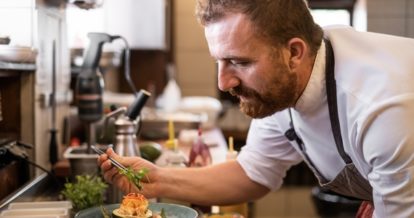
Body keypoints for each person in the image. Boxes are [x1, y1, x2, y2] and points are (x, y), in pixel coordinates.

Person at [98, 0, 414, 217]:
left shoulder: (380, 110)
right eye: (219, 61)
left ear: (294, 53)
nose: (223, 82)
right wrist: (159, 180)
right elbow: (252, 172)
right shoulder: (281, 89)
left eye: (240, 62)